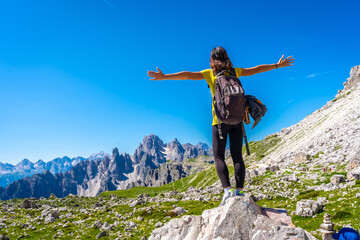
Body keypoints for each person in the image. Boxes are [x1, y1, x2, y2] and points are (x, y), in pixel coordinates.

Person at [148, 46, 294, 206]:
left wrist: (165, 76)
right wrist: (277, 65)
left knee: (218, 156)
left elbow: (188, 75)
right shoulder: (235, 72)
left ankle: (227, 191)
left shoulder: (210, 74)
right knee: (237, 155)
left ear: (212, 60)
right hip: (237, 121)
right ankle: (239, 191)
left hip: (219, 122)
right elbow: (257, 70)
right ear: (227, 58)